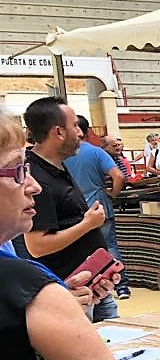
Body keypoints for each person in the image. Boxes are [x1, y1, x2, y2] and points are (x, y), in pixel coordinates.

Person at [0, 111, 160, 360]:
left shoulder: (28, 290)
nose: (33, 185)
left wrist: (59, 301)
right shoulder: (22, 283)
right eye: (18, 171)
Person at [21, 96, 119, 321]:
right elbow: (37, 245)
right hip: (68, 291)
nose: (80, 133)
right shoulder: (37, 178)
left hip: (90, 285)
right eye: (75, 126)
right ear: (58, 132)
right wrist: (88, 224)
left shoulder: (57, 168)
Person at [65, 116, 130, 300]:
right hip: (100, 206)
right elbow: (119, 175)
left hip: (76, 209)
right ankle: (122, 287)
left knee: (81, 249)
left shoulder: (64, 155)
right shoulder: (96, 152)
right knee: (109, 245)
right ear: (88, 131)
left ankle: (89, 286)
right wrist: (113, 193)